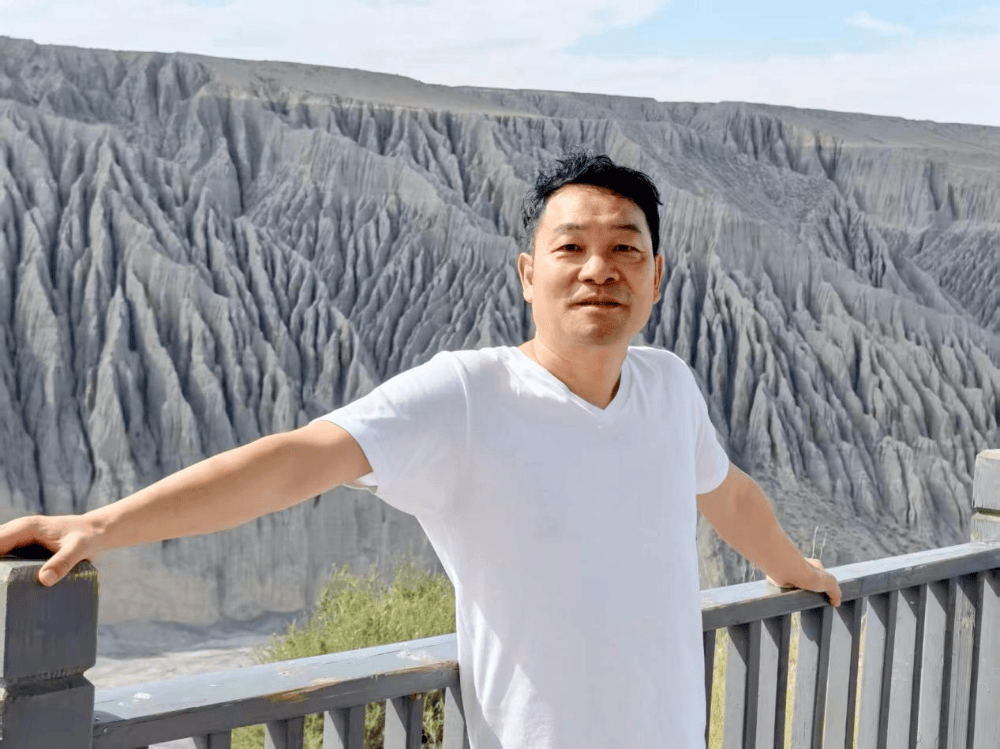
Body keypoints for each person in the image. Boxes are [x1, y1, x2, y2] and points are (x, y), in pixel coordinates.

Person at [0, 151, 840, 748]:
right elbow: (297, 459)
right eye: (571, 247)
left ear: (657, 275)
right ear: (527, 273)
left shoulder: (669, 386)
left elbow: (727, 492)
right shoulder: (467, 396)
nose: (599, 268)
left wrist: (794, 566)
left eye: (626, 247)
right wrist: (104, 524)